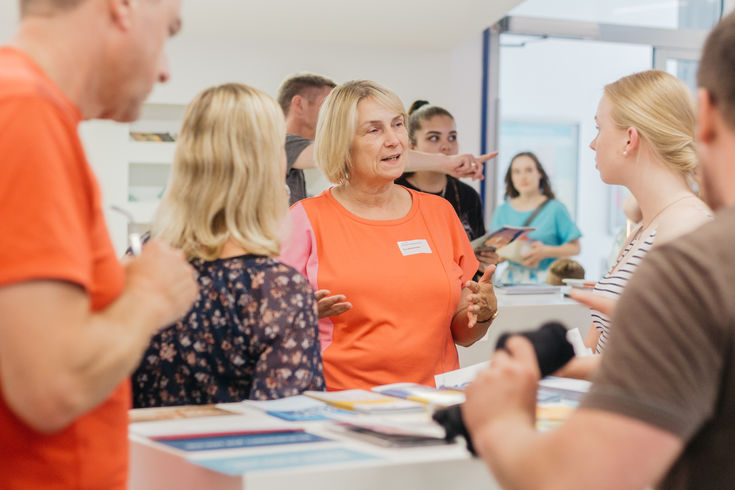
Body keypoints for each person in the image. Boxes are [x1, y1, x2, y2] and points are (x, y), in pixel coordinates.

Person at [462, 11, 735, 489]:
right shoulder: (656, 227)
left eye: (598, 128)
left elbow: (579, 477)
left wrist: (496, 418)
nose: (591, 143)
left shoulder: (693, 249)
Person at [0, 1, 198, 489]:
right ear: (123, 8)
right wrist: (150, 294)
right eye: (168, 32)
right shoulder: (25, 111)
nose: (166, 70)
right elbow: (53, 386)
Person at [280, 80, 498, 390]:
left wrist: (484, 312)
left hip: (431, 406)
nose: (394, 139)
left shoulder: (440, 213)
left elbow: (463, 334)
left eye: (398, 124)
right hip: (339, 406)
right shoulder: (304, 220)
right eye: (374, 130)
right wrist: (301, 317)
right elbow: (268, 327)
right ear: (341, 143)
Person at [132, 83, 325, 408]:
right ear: (263, 167)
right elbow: (286, 428)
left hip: (143, 454)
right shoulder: (276, 290)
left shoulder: (142, 259)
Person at [277, 72, 495, 206]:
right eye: (373, 130)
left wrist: (446, 163)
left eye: (397, 124)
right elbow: (334, 150)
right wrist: (444, 163)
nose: (331, 117)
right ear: (299, 104)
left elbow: (385, 152)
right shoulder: (277, 142)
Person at [395, 101, 495, 274]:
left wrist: (486, 261)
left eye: (452, 137)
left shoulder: (468, 196)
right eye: (434, 138)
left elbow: (475, 263)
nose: (446, 146)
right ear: (411, 147)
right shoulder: (394, 192)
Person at [489, 151, 581, 283]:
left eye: (528, 170)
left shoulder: (555, 209)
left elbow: (575, 248)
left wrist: (545, 251)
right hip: (510, 283)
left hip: (548, 281)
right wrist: (504, 255)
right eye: (517, 172)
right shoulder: (501, 211)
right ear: (511, 178)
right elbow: (493, 253)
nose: (523, 177)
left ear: (540, 174)